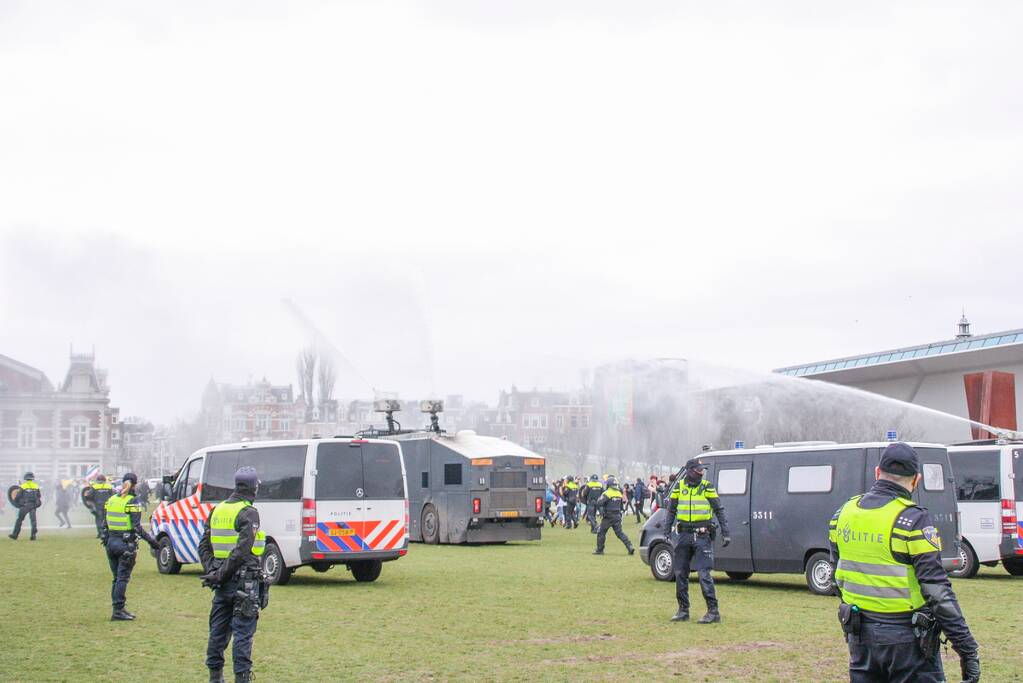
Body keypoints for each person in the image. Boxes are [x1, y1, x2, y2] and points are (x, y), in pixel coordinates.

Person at [829, 442, 981, 683]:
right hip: (907, 640)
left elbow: (837, 576)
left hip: (859, 634)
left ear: (877, 472)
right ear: (916, 480)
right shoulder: (913, 520)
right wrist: (967, 649)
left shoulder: (843, 513)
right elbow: (937, 591)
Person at [199, 467, 267, 683]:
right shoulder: (248, 512)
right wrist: (220, 574)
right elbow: (242, 551)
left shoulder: (217, 510)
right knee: (243, 635)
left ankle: (215, 677)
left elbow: (203, 545)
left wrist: (214, 571)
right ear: (254, 488)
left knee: (217, 632)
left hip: (223, 582)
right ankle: (241, 679)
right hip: (243, 582)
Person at [667, 458, 729, 624]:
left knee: (704, 574)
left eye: (701, 470)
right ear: (689, 471)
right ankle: (683, 610)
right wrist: (666, 531)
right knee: (680, 573)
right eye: (697, 470)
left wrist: (726, 532)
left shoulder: (707, 487)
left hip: (703, 535)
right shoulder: (679, 487)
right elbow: (671, 510)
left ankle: (713, 611)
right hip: (684, 535)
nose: (700, 473)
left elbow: (719, 509)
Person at [102, 472, 159, 621]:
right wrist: (153, 542)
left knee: (116, 578)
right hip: (125, 545)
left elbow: (104, 524)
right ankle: (118, 610)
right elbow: (137, 527)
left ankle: (117, 608)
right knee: (122, 578)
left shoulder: (111, 500)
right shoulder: (132, 502)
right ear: (135, 484)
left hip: (111, 543)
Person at [593, 476, 635, 555]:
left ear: (608, 484)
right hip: (617, 516)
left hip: (608, 517)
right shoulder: (619, 493)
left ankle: (599, 550)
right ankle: (630, 546)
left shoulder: (607, 493)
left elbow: (599, 503)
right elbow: (621, 504)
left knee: (601, 532)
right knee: (620, 533)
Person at [9, 472, 42, 540]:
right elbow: (39, 496)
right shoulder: (36, 486)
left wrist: (15, 502)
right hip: (33, 506)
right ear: (32, 478)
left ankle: (15, 535)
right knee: (33, 520)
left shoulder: (23, 486)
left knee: (19, 520)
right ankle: (33, 535)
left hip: (25, 506)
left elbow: (18, 496)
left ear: (26, 478)